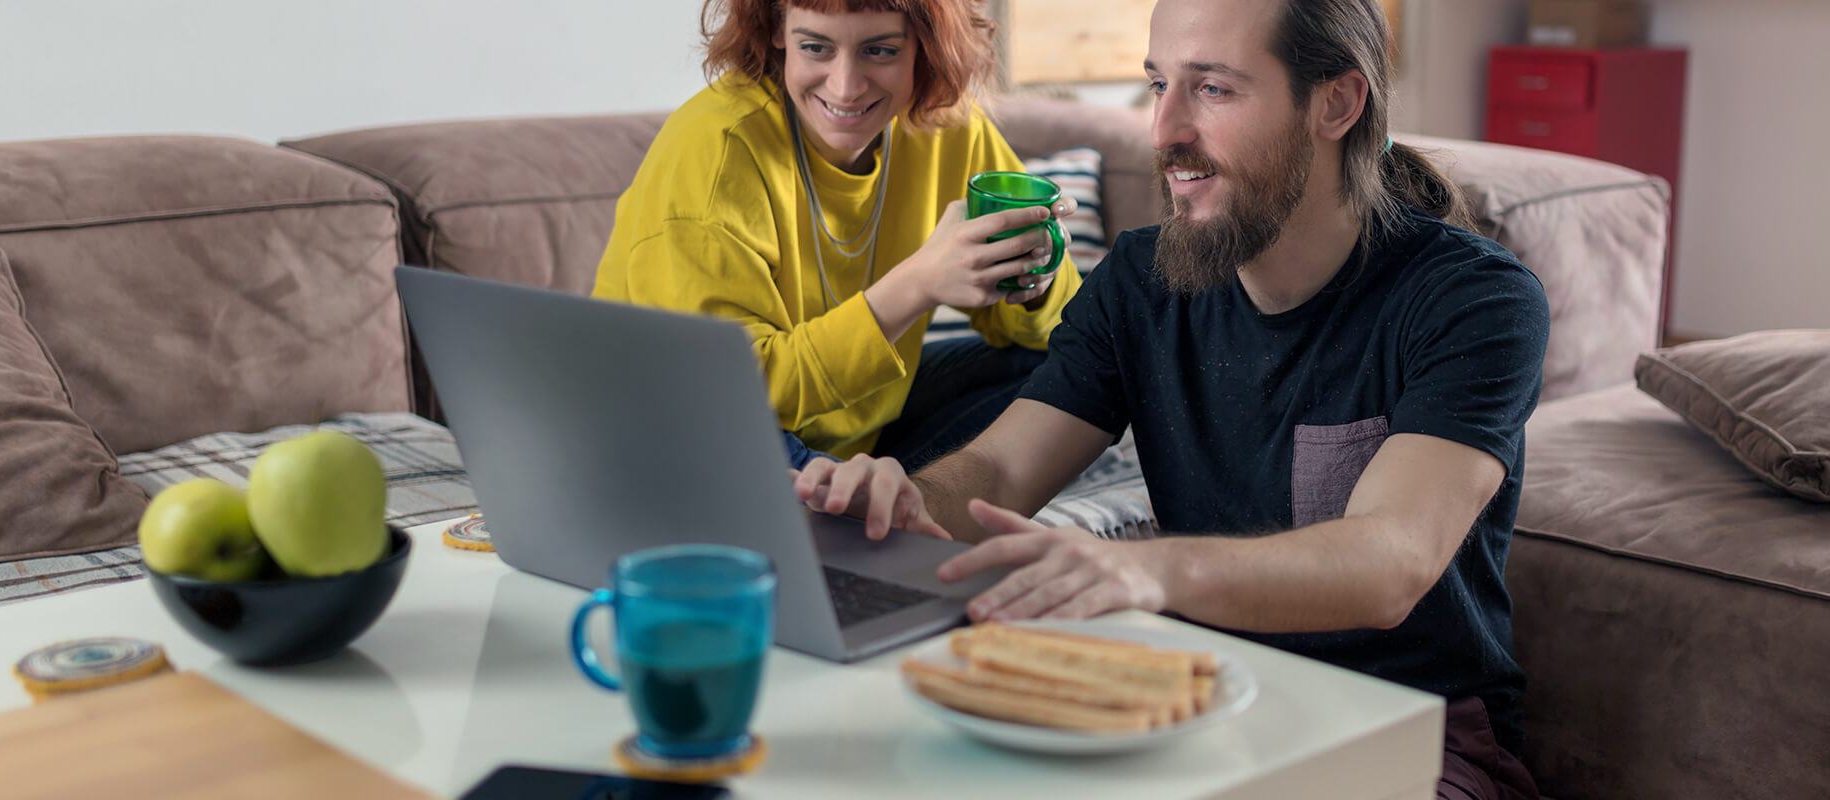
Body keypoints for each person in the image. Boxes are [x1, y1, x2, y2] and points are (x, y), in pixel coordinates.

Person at [791, 0, 1548, 797]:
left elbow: (1391, 562)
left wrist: (1148, 572)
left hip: (1417, 735)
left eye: (1213, 89)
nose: (1164, 131)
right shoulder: (1140, 281)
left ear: (1337, 103)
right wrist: (900, 503)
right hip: (1197, 702)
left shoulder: (1473, 301)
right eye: (1158, 85)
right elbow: (999, 469)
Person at [592, 0, 1082, 475]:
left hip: (857, 431)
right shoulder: (712, 155)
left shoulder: (947, 126)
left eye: (880, 51)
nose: (846, 88)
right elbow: (721, 396)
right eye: (816, 48)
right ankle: (869, 504)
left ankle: (887, 497)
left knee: (1073, 362)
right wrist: (915, 285)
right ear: (778, 31)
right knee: (748, 447)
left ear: (923, 46)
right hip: (697, 436)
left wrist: (1032, 277)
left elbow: (1065, 325)